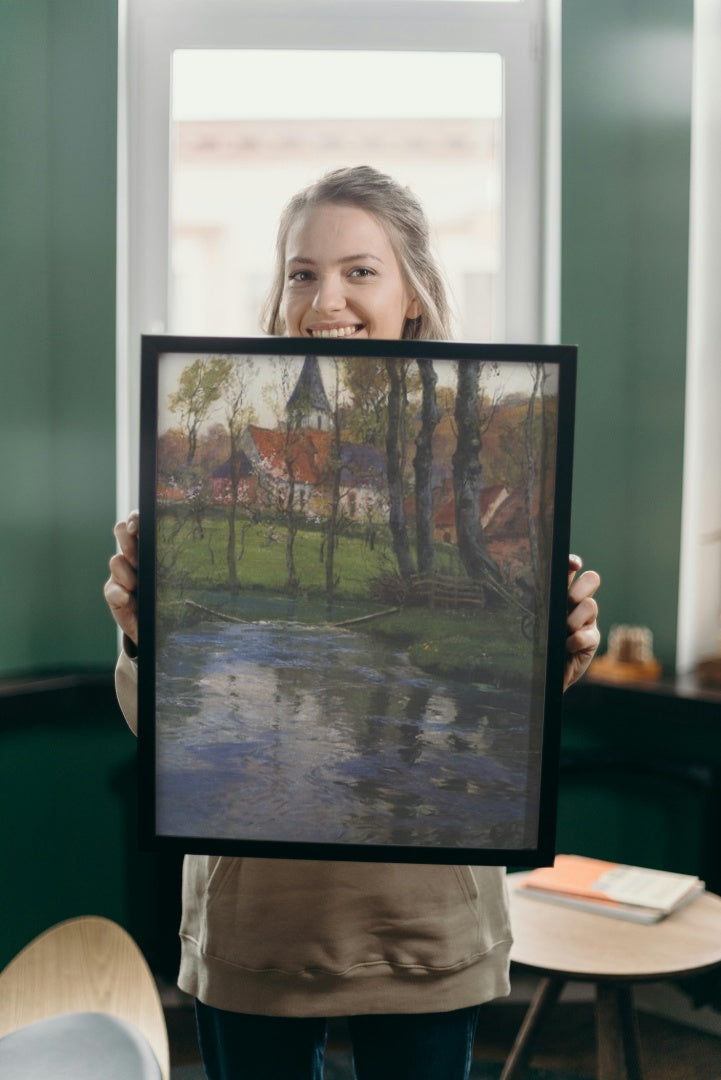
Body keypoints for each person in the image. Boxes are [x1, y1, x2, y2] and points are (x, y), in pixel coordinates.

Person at [105, 166, 601, 1080]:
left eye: (359, 271)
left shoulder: (483, 430)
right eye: (301, 272)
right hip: (256, 926)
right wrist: (143, 636)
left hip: (426, 924)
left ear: (412, 293)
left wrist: (554, 653)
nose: (324, 298)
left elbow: (498, 721)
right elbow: (162, 729)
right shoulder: (213, 426)